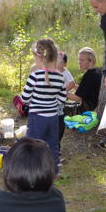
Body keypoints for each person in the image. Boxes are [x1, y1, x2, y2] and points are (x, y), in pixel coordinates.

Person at [21, 38, 67, 172]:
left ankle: (33, 170)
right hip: (52, 117)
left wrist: (33, 101)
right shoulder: (60, 77)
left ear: (38, 56)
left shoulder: (34, 76)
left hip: (37, 117)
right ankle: (54, 170)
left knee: (33, 144)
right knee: (52, 144)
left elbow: (25, 98)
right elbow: (62, 100)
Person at [66, 47, 102, 112]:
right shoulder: (97, 71)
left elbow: (78, 98)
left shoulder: (89, 75)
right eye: (78, 60)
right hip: (95, 106)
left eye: (82, 60)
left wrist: (61, 92)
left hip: (89, 111)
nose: (79, 62)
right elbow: (84, 90)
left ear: (90, 61)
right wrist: (73, 85)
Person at [57, 51, 77, 145]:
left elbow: (72, 83)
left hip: (61, 96)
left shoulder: (65, 72)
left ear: (64, 64)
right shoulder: (53, 71)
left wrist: (64, 91)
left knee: (59, 110)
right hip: (54, 95)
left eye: (59, 62)